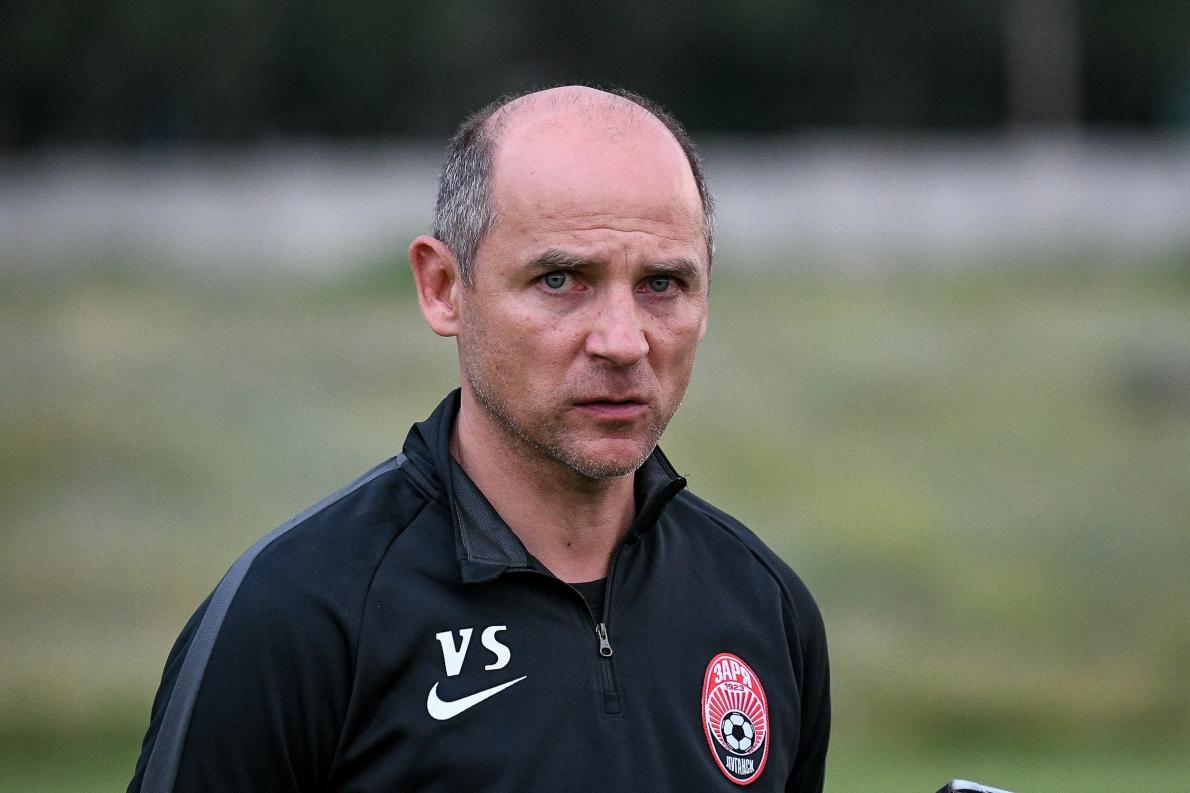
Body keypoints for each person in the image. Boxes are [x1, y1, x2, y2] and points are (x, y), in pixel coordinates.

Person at [128, 85, 830, 792]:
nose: (623, 342)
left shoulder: (764, 606)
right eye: (560, 279)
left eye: (663, 283)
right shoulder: (295, 615)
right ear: (443, 287)